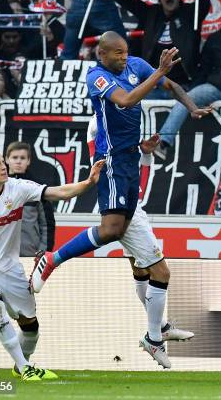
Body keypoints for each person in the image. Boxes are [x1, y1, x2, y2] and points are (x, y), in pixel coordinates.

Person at [30, 31, 208, 367]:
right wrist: (157, 72)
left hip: (129, 162)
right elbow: (125, 101)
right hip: (111, 163)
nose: (126, 58)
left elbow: (169, 86)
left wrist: (192, 107)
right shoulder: (97, 77)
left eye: (127, 53)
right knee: (112, 230)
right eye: (119, 54)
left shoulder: (135, 65)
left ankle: (156, 332)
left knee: (151, 269)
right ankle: (52, 259)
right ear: (103, 53)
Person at [0, 145, 105, 381]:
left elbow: (59, 192)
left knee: (31, 327)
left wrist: (89, 182)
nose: (4, 167)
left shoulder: (18, 189)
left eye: (3, 162)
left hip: (10, 267)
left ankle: (22, 363)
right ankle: (24, 367)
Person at [86, 116, 194, 369]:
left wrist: (143, 150)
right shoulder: (102, 121)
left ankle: (160, 328)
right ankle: (154, 337)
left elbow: (132, 160)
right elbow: (106, 160)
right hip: (121, 206)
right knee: (161, 271)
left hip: (129, 202)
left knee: (140, 268)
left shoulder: (123, 118)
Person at [154, 0, 221, 160]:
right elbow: (203, 69)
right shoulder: (215, 39)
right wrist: (193, 98)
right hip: (215, 88)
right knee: (185, 98)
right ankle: (163, 142)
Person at [110, 0, 210, 99]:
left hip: (183, 86)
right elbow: (126, 0)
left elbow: (204, 3)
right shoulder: (151, 13)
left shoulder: (189, 14)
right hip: (153, 86)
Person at [61, 0, 126, 60]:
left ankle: (63, 71)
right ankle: (126, 73)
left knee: (68, 53)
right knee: (120, 47)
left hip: (77, 0)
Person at [6, 141, 56, 254]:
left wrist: (43, 252)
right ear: (7, 159)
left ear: (28, 161)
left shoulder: (38, 188)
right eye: (14, 157)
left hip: (29, 254)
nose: (18, 161)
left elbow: (47, 224)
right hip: (2, 255)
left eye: (22, 158)